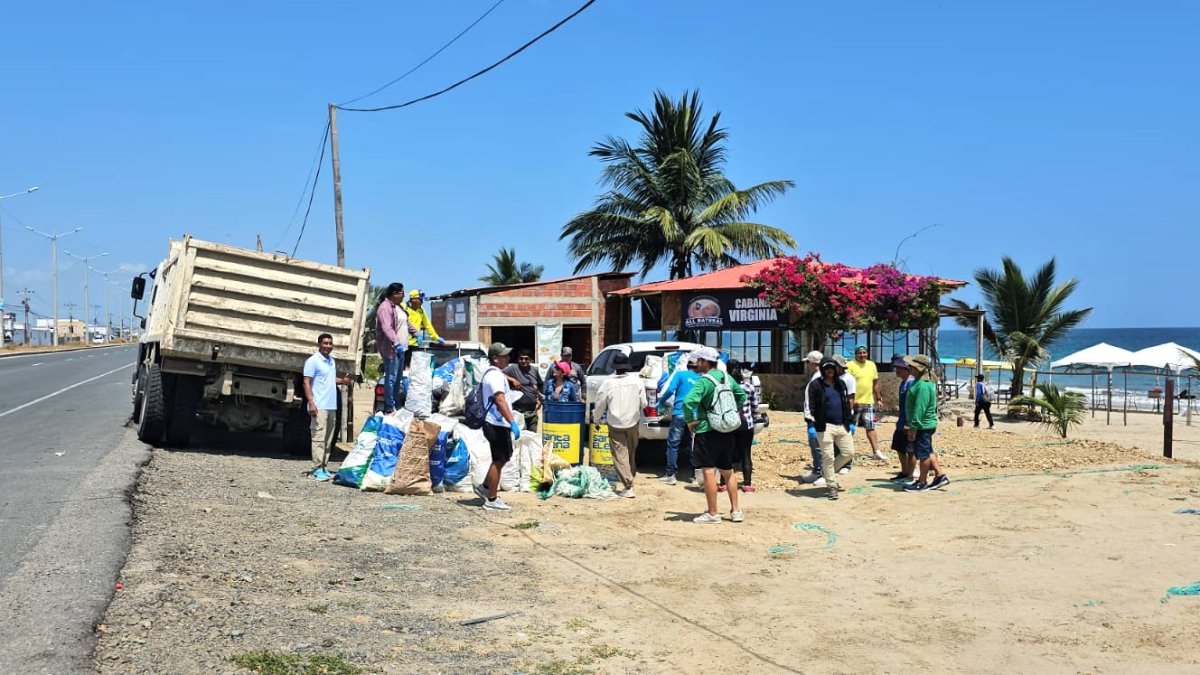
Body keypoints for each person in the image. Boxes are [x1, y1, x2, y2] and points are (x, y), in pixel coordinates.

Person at [683, 347, 746, 524]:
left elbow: (688, 402)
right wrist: (730, 412)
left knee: (708, 471)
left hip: (707, 431)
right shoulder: (726, 377)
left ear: (705, 362)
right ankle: (736, 511)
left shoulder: (704, 381)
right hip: (726, 430)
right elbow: (741, 395)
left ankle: (713, 513)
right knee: (728, 471)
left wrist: (690, 421)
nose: (697, 364)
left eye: (699, 361)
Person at [474, 343, 522, 510]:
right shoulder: (495, 376)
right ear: (495, 358)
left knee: (503, 457)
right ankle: (492, 500)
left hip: (495, 422)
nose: (508, 358)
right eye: (504, 356)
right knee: (499, 459)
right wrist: (512, 422)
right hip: (496, 423)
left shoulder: (494, 373)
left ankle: (485, 487)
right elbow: (500, 400)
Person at [592, 353, 647, 499]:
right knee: (631, 452)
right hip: (633, 422)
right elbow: (644, 403)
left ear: (614, 367)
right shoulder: (636, 381)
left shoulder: (608, 383)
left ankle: (628, 486)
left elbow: (600, 404)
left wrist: (596, 419)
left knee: (620, 454)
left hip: (615, 423)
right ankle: (630, 477)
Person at [302, 333, 350, 481]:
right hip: (319, 406)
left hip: (331, 406)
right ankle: (316, 468)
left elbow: (329, 378)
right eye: (325, 343)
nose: (328, 346)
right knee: (319, 437)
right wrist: (311, 402)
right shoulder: (313, 361)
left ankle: (323, 466)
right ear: (319, 344)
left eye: (330, 343)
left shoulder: (331, 361)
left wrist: (342, 381)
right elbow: (306, 382)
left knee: (328, 439)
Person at [806, 357, 855, 500]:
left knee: (848, 453)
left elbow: (846, 403)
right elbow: (810, 404)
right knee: (828, 456)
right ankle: (832, 486)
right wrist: (812, 422)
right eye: (826, 368)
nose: (829, 371)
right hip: (825, 426)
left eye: (832, 368)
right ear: (822, 369)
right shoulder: (816, 385)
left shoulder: (841, 384)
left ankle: (827, 473)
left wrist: (849, 420)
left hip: (842, 424)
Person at [903, 354, 949, 492]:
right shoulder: (921, 382)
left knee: (923, 454)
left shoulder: (923, 385)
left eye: (912, 366)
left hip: (923, 425)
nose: (909, 368)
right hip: (925, 424)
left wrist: (913, 427)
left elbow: (920, 409)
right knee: (928, 451)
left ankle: (922, 482)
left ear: (918, 368)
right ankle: (940, 476)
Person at [657, 354, 700, 485]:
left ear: (687, 365)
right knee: (693, 445)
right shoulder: (701, 379)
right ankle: (695, 476)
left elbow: (670, 390)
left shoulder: (680, 375)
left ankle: (671, 475)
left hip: (679, 413)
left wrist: (661, 402)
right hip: (694, 416)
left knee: (673, 445)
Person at [375, 282, 418, 413]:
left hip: (402, 349)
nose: (404, 296)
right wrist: (396, 342)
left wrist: (416, 333)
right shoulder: (385, 308)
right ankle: (389, 406)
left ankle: (396, 403)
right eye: (402, 293)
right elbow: (387, 328)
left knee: (398, 379)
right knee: (391, 379)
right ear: (394, 294)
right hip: (392, 349)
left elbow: (405, 323)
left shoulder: (397, 307)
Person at [846, 345, 887, 461]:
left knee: (870, 427)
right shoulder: (850, 365)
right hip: (854, 403)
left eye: (864, 352)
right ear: (855, 354)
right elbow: (845, 383)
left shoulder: (871, 365)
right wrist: (850, 399)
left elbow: (875, 383)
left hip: (868, 401)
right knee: (849, 428)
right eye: (860, 353)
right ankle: (845, 453)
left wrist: (878, 398)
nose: (862, 355)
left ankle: (876, 452)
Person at [723, 360, 758, 493]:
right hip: (746, 424)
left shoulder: (723, 387)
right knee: (746, 454)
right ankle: (747, 484)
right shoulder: (749, 387)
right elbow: (755, 408)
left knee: (726, 454)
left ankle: (724, 483)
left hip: (729, 425)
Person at [798, 351, 828, 486]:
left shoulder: (820, 377)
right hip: (812, 417)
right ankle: (817, 470)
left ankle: (824, 473)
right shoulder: (817, 376)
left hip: (818, 417)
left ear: (811, 363)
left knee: (819, 445)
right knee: (814, 444)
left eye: (807, 362)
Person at [890, 354, 917, 483]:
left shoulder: (911, 384)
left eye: (900, 368)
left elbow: (913, 405)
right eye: (896, 368)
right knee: (899, 448)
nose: (897, 370)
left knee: (910, 451)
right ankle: (904, 472)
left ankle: (910, 475)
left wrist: (910, 423)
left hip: (909, 422)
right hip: (901, 422)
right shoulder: (902, 383)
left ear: (907, 369)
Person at [504, 348, 543, 432]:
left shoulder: (534, 370)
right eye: (521, 358)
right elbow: (498, 373)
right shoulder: (512, 369)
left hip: (533, 411)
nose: (523, 361)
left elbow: (540, 385)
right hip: (518, 411)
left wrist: (539, 400)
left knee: (532, 435)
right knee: (522, 435)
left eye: (526, 359)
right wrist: (512, 380)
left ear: (530, 360)